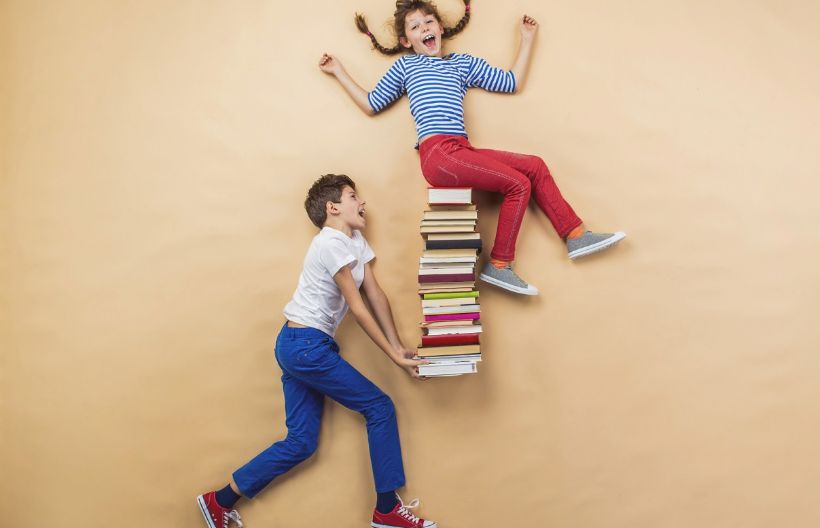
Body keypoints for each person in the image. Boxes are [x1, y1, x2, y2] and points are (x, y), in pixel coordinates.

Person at [319, 0, 625, 296]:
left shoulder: (463, 64)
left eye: (428, 22)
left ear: (439, 28)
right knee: (518, 184)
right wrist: (338, 72)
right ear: (406, 40)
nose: (424, 28)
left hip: (461, 149)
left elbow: (511, 82)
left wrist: (527, 40)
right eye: (415, 27)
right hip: (438, 154)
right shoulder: (406, 66)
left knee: (534, 165)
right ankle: (500, 264)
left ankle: (576, 236)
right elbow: (372, 104)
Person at [197, 174, 436, 528]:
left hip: (299, 345)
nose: (363, 202)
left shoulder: (354, 239)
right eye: (354, 196)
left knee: (302, 442)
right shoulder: (330, 242)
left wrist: (399, 346)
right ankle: (386, 509)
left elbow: (375, 294)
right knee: (379, 407)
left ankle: (219, 501)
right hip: (306, 346)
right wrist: (394, 357)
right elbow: (356, 307)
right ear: (333, 207)